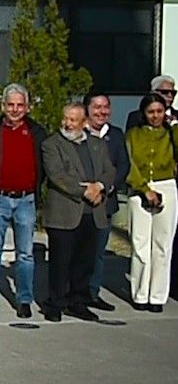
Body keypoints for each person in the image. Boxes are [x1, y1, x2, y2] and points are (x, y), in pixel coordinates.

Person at [41, 102, 116, 323]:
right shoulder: (52, 144)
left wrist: (100, 186)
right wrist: (86, 190)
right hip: (65, 212)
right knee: (60, 262)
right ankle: (55, 302)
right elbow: (57, 175)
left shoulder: (97, 144)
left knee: (85, 262)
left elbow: (109, 169)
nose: (67, 123)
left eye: (73, 120)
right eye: (65, 118)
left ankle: (78, 302)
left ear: (84, 123)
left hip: (92, 213)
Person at [0, 83, 47, 318]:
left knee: (25, 254)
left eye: (20, 105)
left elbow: (44, 167)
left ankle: (24, 299)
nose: (15, 109)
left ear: (27, 107)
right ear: (3, 106)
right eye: (11, 105)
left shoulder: (38, 133)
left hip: (26, 200)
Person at [125, 93, 177, 313]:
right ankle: (140, 293)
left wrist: (174, 125)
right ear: (143, 113)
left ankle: (157, 296)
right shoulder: (133, 135)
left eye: (159, 111)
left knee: (162, 244)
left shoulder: (170, 133)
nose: (155, 116)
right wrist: (144, 189)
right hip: (140, 188)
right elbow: (129, 164)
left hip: (167, 185)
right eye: (151, 111)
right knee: (140, 244)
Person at [83, 93, 129, 311]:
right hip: (80, 201)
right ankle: (71, 293)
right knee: (77, 251)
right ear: (87, 109)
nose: (102, 112)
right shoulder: (77, 133)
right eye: (97, 107)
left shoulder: (116, 135)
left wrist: (104, 187)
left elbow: (123, 166)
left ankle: (92, 292)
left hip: (105, 201)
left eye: (106, 107)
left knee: (98, 252)